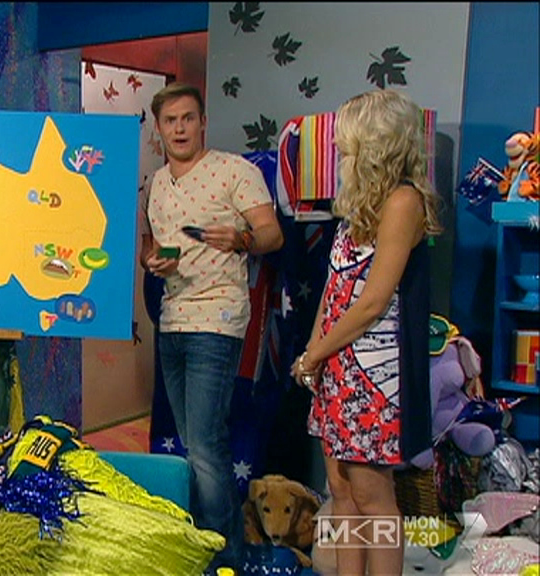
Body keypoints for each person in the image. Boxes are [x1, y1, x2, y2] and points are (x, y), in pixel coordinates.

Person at [291, 88, 442, 575]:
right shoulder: (358, 207)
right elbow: (334, 289)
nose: (339, 148)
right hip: (335, 364)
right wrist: (313, 351)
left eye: (346, 139)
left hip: (373, 374)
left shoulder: (403, 201)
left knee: (372, 493)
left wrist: (317, 353)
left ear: (374, 142)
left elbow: (374, 301)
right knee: (340, 487)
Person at [139, 82, 284, 570]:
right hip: (172, 319)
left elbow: (272, 235)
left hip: (216, 320)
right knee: (192, 445)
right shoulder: (157, 184)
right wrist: (152, 261)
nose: (179, 128)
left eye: (187, 118)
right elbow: (150, 246)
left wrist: (241, 238)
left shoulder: (234, 171)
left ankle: (225, 558)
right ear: (159, 130)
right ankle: (207, 545)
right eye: (170, 121)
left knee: (204, 446)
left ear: (202, 122)